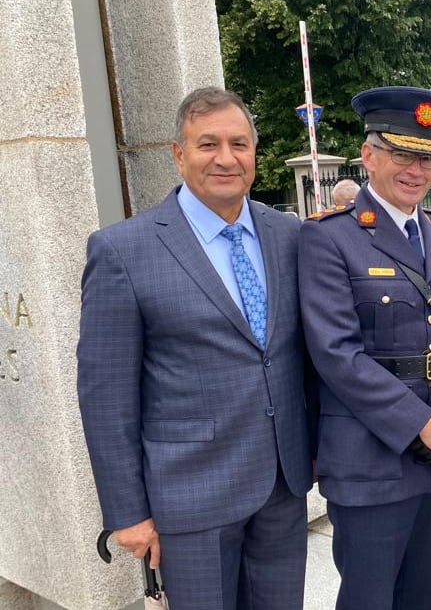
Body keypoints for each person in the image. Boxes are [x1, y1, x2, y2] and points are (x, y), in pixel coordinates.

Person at [77, 87, 314, 610]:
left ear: (255, 153)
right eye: (208, 144)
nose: (226, 158)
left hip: (282, 487)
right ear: (178, 154)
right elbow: (105, 394)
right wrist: (128, 512)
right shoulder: (123, 250)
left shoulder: (289, 236)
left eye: (239, 144)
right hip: (189, 499)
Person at [297, 86, 431, 610]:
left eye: (427, 157)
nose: (416, 169)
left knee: (423, 595)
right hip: (370, 458)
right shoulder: (329, 238)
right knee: (371, 599)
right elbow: (336, 353)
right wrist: (420, 422)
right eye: (403, 152)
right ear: (369, 155)